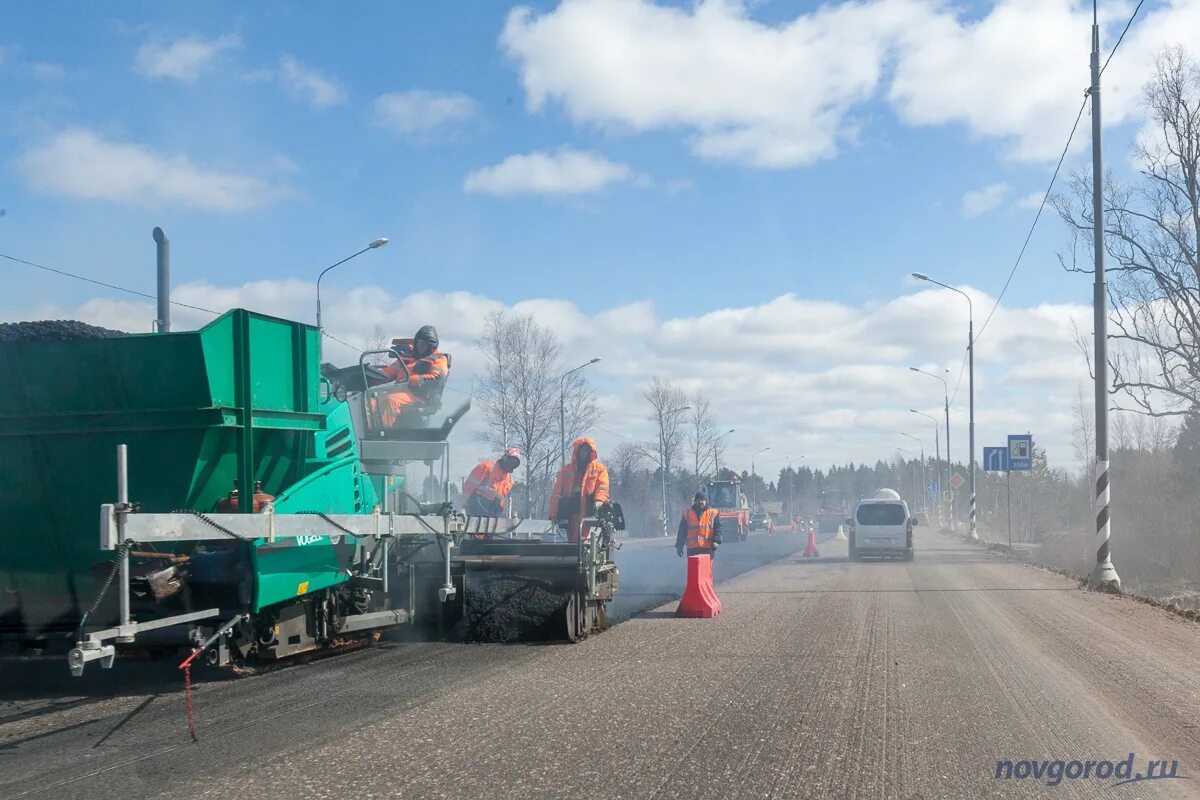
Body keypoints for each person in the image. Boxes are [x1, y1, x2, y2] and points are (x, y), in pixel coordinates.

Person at [377, 325, 449, 427]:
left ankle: (383, 436)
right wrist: (369, 377)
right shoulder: (408, 357)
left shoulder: (439, 359)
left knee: (391, 401)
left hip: (421, 396)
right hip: (401, 392)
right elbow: (388, 372)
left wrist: (412, 380)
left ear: (432, 346)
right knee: (372, 402)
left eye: (424, 345)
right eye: (419, 344)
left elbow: (437, 378)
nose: (421, 347)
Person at [548, 437, 610, 543]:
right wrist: (553, 515)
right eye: (582, 450)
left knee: (587, 545)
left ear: (591, 452)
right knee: (569, 544)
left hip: (590, 513)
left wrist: (599, 501)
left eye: (587, 450)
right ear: (577, 451)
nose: (584, 453)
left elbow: (602, 488)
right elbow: (556, 494)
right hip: (569, 514)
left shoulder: (600, 470)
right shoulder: (566, 470)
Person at [462, 447, 521, 516]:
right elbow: (469, 486)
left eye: (514, 464)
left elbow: (501, 500)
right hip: (475, 508)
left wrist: (499, 512)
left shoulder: (509, 481)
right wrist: (463, 507)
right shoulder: (486, 467)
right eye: (510, 461)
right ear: (504, 458)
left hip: (492, 513)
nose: (511, 465)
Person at [676, 490, 723, 558]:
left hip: (707, 548)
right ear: (695, 501)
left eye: (702, 500)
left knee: (706, 568)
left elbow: (718, 529)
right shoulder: (687, 514)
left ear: (706, 501)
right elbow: (682, 531)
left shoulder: (713, 513)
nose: (700, 502)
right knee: (693, 568)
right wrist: (679, 546)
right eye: (698, 500)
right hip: (692, 549)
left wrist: (716, 541)